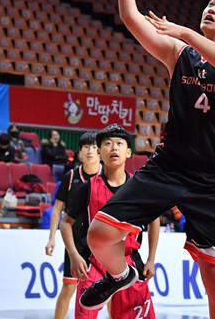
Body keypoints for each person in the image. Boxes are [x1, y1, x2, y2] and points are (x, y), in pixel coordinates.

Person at [79, 0, 215, 319]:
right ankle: (120, 275)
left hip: (214, 182)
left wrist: (185, 33)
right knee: (99, 235)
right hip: (169, 166)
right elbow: (131, 18)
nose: (212, 8)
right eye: (210, 2)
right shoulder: (181, 54)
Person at [61, 125, 159, 319]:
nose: (114, 147)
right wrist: (73, 254)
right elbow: (66, 223)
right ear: (99, 152)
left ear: (128, 152)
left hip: (129, 263)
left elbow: (154, 220)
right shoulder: (88, 188)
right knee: (84, 313)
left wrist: (151, 259)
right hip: (94, 262)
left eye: (119, 144)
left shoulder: (139, 187)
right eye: (108, 143)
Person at [46, 132, 101, 319]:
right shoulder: (70, 177)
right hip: (75, 241)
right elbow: (57, 210)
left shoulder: (107, 176)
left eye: (94, 147)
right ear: (79, 153)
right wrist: (52, 238)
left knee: (109, 290)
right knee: (69, 287)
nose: (90, 151)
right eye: (86, 147)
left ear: (100, 152)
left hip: (101, 242)